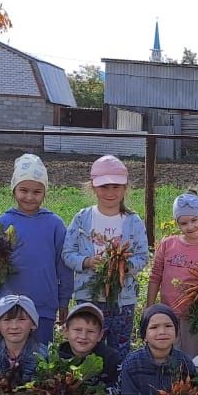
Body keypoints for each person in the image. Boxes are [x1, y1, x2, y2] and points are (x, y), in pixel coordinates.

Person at [63, 154, 149, 360]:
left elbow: (143, 256)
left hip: (122, 300)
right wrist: (86, 262)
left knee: (119, 349)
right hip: (89, 298)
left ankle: (117, 386)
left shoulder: (133, 221)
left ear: (125, 187)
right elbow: (67, 253)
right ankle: (87, 388)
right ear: (93, 187)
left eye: (116, 187)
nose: (110, 192)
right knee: (86, 348)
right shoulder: (83, 218)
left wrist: (124, 266)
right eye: (104, 187)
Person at [0, 154, 72, 346]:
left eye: (37, 191)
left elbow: (64, 267)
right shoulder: (3, 223)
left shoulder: (54, 224)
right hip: (8, 307)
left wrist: (64, 301)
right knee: (5, 359)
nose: (29, 197)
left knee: (40, 357)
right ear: (13, 190)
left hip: (43, 305)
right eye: (23, 190)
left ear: (45, 193)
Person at [146, 191, 198, 357]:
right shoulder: (168, 244)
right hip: (166, 315)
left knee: (189, 359)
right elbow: (155, 277)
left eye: (194, 220)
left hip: (192, 317)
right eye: (183, 223)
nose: (190, 226)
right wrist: (149, 309)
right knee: (165, 356)